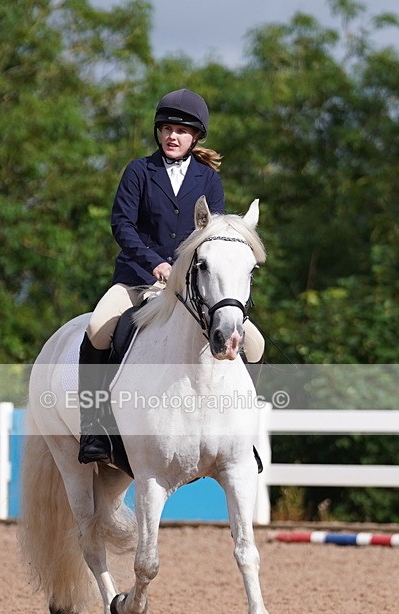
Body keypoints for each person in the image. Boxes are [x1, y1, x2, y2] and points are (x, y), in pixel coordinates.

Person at [78, 88, 265, 466]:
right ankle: (94, 426)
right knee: (98, 328)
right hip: (137, 279)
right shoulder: (138, 171)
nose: (172, 136)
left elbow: (210, 233)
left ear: (196, 137)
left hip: (190, 287)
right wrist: (154, 263)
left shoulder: (207, 179)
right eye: (166, 128)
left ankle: (243, 434)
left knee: (256, 345)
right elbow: (122, 224)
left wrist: (185, 271)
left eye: (181, 130)